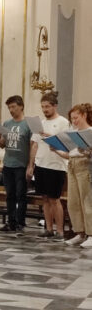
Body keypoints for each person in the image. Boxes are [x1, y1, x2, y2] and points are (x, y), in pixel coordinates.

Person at [28, 92, 69, 241]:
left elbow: (66, 144)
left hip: (56, 165)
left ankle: (60, 231)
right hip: (41, 164)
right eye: (43, 107)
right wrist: (31, 165)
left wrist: (50, 136)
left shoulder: (63, 122)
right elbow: (35, 145)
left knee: (54, 199)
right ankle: (49, 229)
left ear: (55, 106)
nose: (45, 110)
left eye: (47, 107)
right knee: (44, 198)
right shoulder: (41, 123)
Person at [51, 103, 92, 248]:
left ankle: (91, 234)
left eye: (76, 118)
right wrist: (56, 150)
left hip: (86, 166)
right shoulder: (72, 133)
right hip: (73, 166)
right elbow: (69, 154)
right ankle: (80, 233)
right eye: (72, 118)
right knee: (73, 202)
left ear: (84, 115)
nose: (74, 121)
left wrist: (88, 152)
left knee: (87, 202)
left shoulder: (90, 132)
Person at [0, 95, 32, 235]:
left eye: (13, 107)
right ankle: (11, 222)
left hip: (21, 164)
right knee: (9, 194)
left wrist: (30, 165)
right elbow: (3, 145)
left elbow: (32, 145)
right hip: (8, 164)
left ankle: (20, 222)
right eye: (9, 107)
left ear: (21, 106)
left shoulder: (28, 124)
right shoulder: (7, 124)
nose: (11, 110)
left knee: (21, 194)